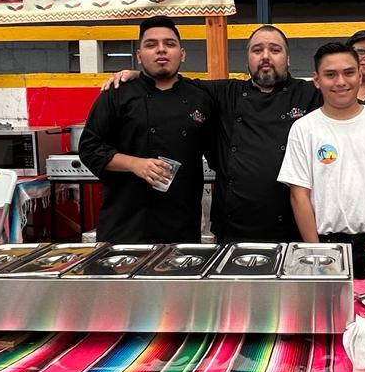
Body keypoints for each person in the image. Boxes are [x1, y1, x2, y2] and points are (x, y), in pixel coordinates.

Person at [102, 24, 321, 242]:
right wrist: (140, 75)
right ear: (247, 60)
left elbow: (339, 90)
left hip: (293, 224)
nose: (265, 56)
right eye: (257, 50)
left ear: (288, 59)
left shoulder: (311, 93)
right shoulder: (225, 93)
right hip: (234, 227)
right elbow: (175, 82)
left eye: (275, 50)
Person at [79, 17, 214, 244]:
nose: (161, 49)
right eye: (151, 45)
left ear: (182, 54)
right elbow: (89, 148)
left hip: (181, 225)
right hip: (125, 225)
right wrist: (135, 164)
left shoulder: (200, 97)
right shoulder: (116, 94)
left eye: (169, 44)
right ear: (139, 56)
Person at [278, 42, 365, 278]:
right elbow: (299, 194)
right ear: (316, 80)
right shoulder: (304, 129)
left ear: (360, 75)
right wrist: (316, 251)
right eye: (330, 75)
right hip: (322, 245)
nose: (341, 82)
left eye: (348, 72)